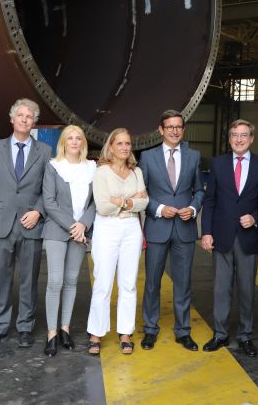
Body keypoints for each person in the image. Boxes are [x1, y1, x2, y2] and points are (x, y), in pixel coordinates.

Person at [0, 98, 51, 348]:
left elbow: (48, 189)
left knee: (29, 280)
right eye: (20, 115)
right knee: (1, 278)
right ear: (12, 119)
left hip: (31, 223)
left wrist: (38, 212)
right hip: (1, 222)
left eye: (29, 117)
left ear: (34, 122)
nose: (24, 120)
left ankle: (25, 327)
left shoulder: (44, 151)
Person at [200, 119, 258, 357]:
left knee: (247, 289)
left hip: (249, 236)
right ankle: (220, 334)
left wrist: (255, 217)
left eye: (244, 135)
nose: (239, 139)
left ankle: (246, 336)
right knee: (221, 288)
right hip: (222, 235)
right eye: (234, 135)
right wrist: (206, 232)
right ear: (229, 139)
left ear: (252, 138)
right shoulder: (218, 164)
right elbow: (210, 201)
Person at [139, 110, 204, 351]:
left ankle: (183, 331)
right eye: (170, 127)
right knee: (152, 283)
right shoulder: (148, 157)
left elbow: (199, 190)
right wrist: (159, 208)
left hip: (184, 229)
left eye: (178, 127)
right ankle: (150, 329)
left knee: (183, 283)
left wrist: (193, 208)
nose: (175, 131)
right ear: (161, 130)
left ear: (183, 130)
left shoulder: (194, 156)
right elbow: (141, 193)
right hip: (157, 228)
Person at [86, 128, 148, 355]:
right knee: (103, 282)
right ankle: (96, 332)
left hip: (131, 228)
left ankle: (125, 332)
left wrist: (120, 201)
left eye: (127, 143)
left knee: (128, 283)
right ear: (110, 147)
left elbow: (144, 202)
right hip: (107, 227)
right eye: (119, 143)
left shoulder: (136, 172)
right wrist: (131, 201)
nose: (124, 147)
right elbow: (103, 207)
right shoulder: (101, 172)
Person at [41, 125, 96, 356]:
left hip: (81, 231)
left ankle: (65, 329)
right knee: (55, 281)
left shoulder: (92, 168)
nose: (74, 141)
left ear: (83, 142)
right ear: (63, 142)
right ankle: (52, 333)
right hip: (57, 229)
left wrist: (83, 224)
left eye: (78, 138)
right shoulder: (53, 166)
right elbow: (49, 202)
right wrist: (74, 226)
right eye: (70, 138)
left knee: (72, 280)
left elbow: (95, 202)